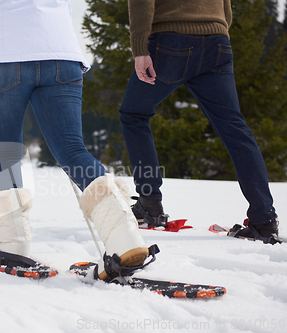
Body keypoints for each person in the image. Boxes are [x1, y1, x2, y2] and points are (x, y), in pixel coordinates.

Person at [0, 0, 155, 279]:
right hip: (61, 53)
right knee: (72, 149)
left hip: (5, 54)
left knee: (7, 151)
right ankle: (126, 238)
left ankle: (13, 243)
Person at [120, 0, 281, 244]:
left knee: (134, 114)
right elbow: (226, 8)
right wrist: (215, 28)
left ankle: (150, 205)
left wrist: (140, 49)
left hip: (171, 40)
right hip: (217, 39)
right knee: (235, 128)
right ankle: (264, 221)